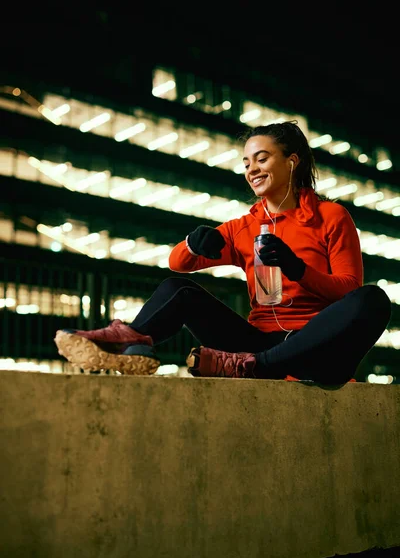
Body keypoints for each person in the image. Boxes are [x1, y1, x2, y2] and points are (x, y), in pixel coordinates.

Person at [55, 121, 392, 384]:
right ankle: (127, 343)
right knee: (178, 290)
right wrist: (192, 244)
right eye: (247, 162)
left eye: (262, 159)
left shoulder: (330, 216)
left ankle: (257, 367)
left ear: (291, 162)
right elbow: (178, 265)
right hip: (255, 343)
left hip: (314, 351)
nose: (252, 169)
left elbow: (349, 288)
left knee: (373, 299)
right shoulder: (243, 227)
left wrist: (296, 268)